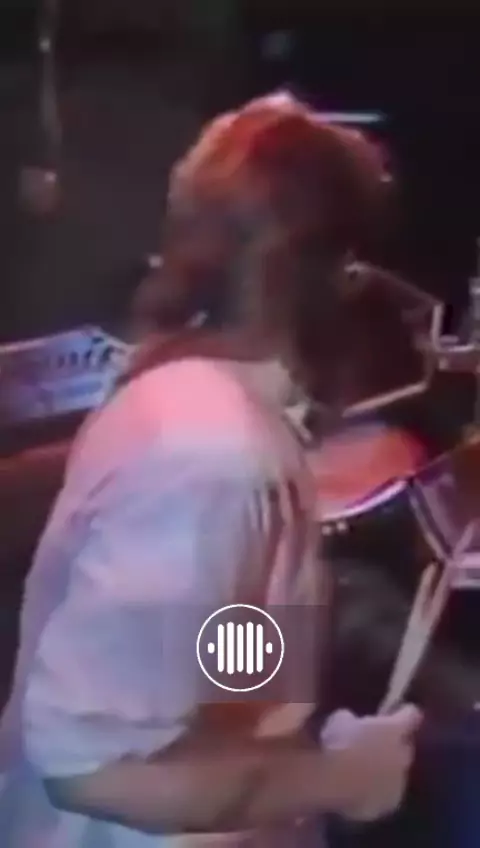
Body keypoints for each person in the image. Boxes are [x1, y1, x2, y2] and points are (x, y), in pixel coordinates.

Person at [0, 92, 421, 847]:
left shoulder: (219, 417)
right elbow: (94, 767)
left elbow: (220, 662)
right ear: (348, 274)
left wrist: (290, 729)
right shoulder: (213, 455)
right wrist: (343, 780)